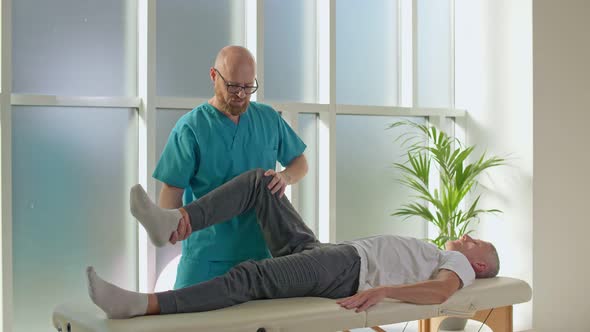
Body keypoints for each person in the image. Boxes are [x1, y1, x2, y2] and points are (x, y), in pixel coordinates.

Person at [87, 169, 500, 319]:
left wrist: (383, 291)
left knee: (251, 276)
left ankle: (145, 304)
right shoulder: (444, 252)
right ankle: (176, 223)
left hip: (345, 270)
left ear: (479, 266)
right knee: (260, 183)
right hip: (327, 253)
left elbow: (442, 291)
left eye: (475, 241)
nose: (466, 236)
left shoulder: (456, 266)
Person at [153, 45, 308, 288]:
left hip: (260, 255)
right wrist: (168, 226)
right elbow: (171, 190)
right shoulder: (191, 128)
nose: (241, 95)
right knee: (186, 322)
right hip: (206, 257)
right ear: (214, 76)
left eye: (248, 87)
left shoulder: (268, 118)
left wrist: (286, 177)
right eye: (234, 86)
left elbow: (300, 163)